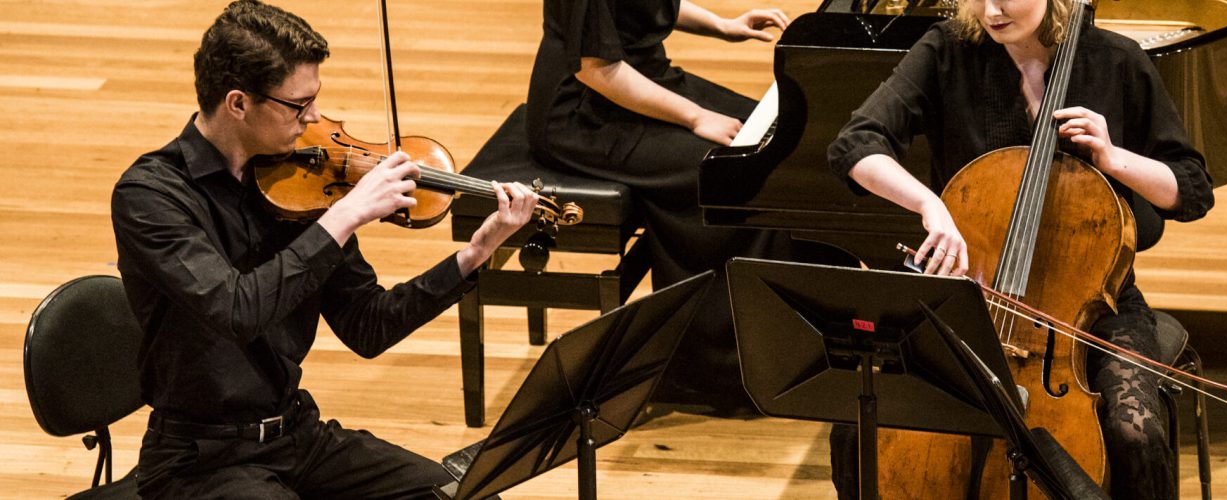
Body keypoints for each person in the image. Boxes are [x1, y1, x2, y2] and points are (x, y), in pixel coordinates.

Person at [111, 1, 540, 497]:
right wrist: (344, 216)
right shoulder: (151, 197)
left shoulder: (300, 184)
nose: (313, 117)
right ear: (238, 103)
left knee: (462, 493)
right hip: (199, 461)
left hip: (297, 436)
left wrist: (477, 251)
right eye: (299, 105)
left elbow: (369, 325)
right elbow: (237, 309)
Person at [825, 0, 1216, 497]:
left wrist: (1114, 157)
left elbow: (1191, 191)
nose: (990, 10)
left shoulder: (1118, 61)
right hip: (970, 295)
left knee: (1133, 432)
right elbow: (855, 144)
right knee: (853, 426)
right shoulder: (948, 49)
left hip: (1090, 306)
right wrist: (930, 205)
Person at [525, 0, 793, 411]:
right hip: (583, 115)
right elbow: (595, 68)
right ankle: (710, 371)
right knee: (730, 174)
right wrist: (695, 117)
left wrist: (721, 25)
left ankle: (789, 336)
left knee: (775, 137)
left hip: (643, 81)